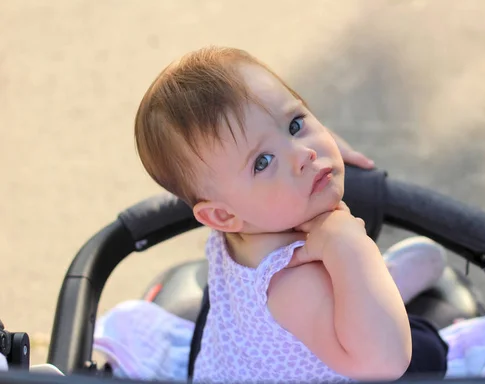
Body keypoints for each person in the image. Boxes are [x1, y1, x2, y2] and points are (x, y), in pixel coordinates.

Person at [131, 46, 448, 383]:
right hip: (354, 357)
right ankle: (372, 287)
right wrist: (353, 249)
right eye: (263, 162)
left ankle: (364, 288)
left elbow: (271, 138)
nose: (304, 154)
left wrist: (304, 143)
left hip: (227, 365)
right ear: (221, 216)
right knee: (428, 348)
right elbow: (384, 364)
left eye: (296, 125)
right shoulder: (293, 282)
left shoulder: (242, 217)